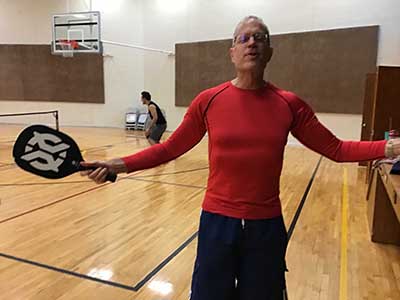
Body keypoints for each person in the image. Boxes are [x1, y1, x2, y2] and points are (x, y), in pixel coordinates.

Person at [81, 16, 400, 300]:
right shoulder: (208, 101)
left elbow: (337, 149)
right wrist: (116, 165)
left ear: (270, 51)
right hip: (217, 224)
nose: (251, 43)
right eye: (243, 38)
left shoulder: (289, 104)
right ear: (232, 52)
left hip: (266, 227)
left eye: (259, 37)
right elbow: (169, 149)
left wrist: (387, 149)